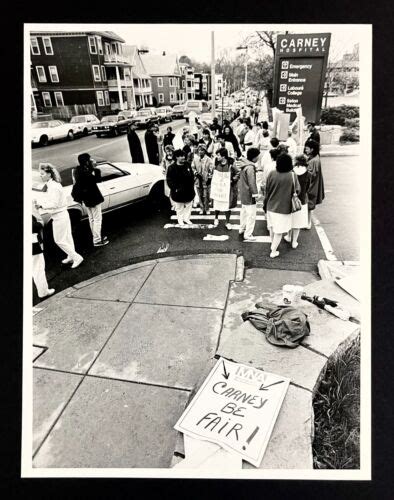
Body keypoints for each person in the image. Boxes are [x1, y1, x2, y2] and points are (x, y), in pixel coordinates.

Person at [34, 163, 83, 268]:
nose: (41, 176)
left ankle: (76, 257)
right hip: (61, 215)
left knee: (59, 240)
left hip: (59, 216)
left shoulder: (54, 187)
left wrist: (41, 205)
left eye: (42, 174)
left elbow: (54, 204)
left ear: (49, 174)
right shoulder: (52, 184)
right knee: (67, 238)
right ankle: (71, 256)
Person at [263, 153, 300, 258]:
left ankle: (273, 245)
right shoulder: (292, 175)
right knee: (279, 231)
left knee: (272, 228)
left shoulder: (272, 174)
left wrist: (265, 205)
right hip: (284, 208)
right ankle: (273, 251)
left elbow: (267, 190)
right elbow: (297, 190)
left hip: (270, 206)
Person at [71, 153, 109, 247]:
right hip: (94, 198)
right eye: (90, 159)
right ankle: (97, 240)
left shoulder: (78, 170)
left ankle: (96, 237)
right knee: (97, 220)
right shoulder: (87, 173)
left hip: (86, 199)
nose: (92, 160)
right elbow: (97, 180)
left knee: (91, 219)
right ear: (87, 161)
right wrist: (96, 169)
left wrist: (91, 168)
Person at [284, 154, 311, 248]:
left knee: (290, 220)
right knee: (298, 222)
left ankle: (288, 236)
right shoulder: (308, 174)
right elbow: (308, 188)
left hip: (290, 199)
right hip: (302, 201)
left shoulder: (291, 172)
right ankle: (294, 242)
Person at [211, 147, 240, 229]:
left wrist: (232, 180)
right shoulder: (216, 164)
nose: (217, 157)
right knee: (217, 203)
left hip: (227, 189)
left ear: (223, 156)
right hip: (218, 188)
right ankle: (216, 218)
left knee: (226, 206)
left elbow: (238, 173)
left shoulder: (231, 164)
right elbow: (213, 173)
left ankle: (227, 222)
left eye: (218, 155)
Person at [166, 149, 195, 226]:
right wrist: (175, 188)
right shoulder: (171, 167)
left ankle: (186, 218)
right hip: (178, 191)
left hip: (189, 190)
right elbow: (169, 180)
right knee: (179, 207)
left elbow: (191, 176)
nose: (183, 157)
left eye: (183, 155)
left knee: (189, 205)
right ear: (176, 157)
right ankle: (180, 220)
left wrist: (192, 186)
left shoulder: (187, 164)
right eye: (181, 156)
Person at [32, 202, 55, 299]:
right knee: (38, 267)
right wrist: (38, 218)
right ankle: (43, 291)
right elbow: (35, 226)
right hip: (32, 242)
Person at [238, 147, 260, 241]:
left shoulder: (244, 165)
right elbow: (252, 182)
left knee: (243, 212)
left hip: (243, 192)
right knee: (251, 215)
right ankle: (248, 234)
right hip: (249, 194)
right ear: (254, 157)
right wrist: (255, 194)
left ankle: (242, 228)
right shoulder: (250, 167)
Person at [305, 139, 325, 229]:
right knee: (308, 207)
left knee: (308, 206)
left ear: (312, 149)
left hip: (311, 186)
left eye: (307, 149)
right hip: (314, 185)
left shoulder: (313, 161)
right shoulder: (316, 157)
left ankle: (308, 223)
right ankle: (307, 223)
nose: (305, 150)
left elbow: (310, 175)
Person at [191, 144, 214, 215]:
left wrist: (209, 178)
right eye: (199, 150)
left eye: (202, 150)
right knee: (200, 195)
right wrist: (196, 173)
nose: (200, 152)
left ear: (205, 151)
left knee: (206, 195)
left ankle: (207, 208)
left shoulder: (209, 160)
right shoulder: (195, 159)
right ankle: (201, 208)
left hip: (206, 180)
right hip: (198, 180)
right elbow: (193, 167)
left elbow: (211, 170)